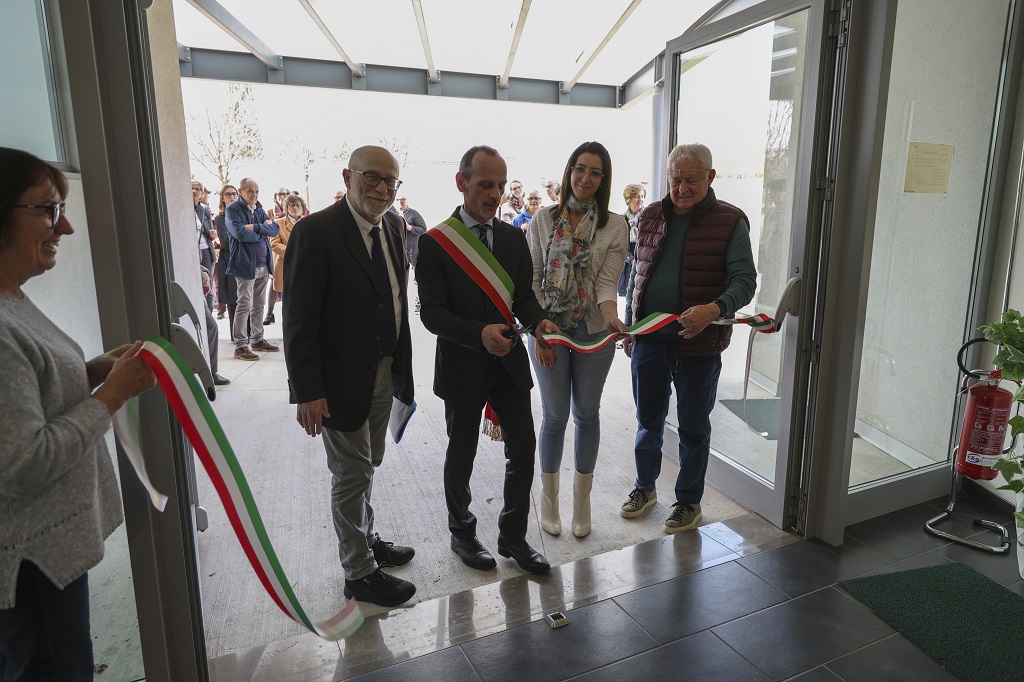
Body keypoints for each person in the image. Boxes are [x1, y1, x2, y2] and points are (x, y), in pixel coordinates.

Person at [0, 147, 157, 679]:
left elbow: (28, 397)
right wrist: (112, 394)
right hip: (31, 564)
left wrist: (91, 372)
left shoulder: (12, 298)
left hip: (45, 556)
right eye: (48, 210)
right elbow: (23, 463)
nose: (64, 227)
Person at [283, 146, 417, 607]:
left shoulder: (394, 225)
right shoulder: (315, 232)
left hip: (385, 368)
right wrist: (308, 391)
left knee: (367, 464)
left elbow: (393, 296)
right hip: (338, 379)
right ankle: (358, 572)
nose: (382, 188)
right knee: (351, 472)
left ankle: (366, 537)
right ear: (347, 177)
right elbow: (298, 319)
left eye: (390, 180)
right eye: (371, 177)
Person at [416, 145, 559, 575]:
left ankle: (512, 536)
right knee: (461, 455)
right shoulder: (435, 242)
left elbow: (522, 298)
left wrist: (538, 322)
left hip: (509, 364)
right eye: (485, 185)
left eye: (500, 185)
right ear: (461, 183)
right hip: (462, 365)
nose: (495, 194)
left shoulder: (514, 237)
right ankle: (462, 534)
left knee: (524, 450)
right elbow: (432, 314)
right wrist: (477, 334)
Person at [621, 143, 756, 533]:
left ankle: (688, 502)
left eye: (691, 180)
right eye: (675, 179)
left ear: (710, 177)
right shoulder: (649, 215)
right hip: (649, 340)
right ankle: (644, 488)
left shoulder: (731, 221)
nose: (681, 188)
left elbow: (745, 281)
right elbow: (637, 276)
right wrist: (631, 327)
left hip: (700, 345)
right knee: (647, 421)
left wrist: (713, 310)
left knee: (694, 427)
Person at [527, 142, 628, 538]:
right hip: (548, 328)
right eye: (580, 169)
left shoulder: (615, 225)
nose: (586, 178)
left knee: (587, 413)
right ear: (569, 171)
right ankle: (549, 501)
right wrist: (539, 329)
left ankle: (581, 504)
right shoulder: (543, 219)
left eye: (595, 172)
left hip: (593, 330)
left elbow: (606, 283)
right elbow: (532, 280)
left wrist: (612, 317)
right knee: (555, 416)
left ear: (604, 180)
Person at [225, 178, 280, 361]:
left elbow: (274, 230)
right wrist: (262, 232)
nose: (254, 195)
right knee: (244, 305)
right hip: (245, 266)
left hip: (263, 264)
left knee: (259, 305)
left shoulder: (259, 208)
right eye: (250, 191)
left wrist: (256, 227)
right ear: (240, 191)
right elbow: (240, 233)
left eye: (256, 191)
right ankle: (240, 346)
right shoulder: (233, 209)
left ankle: (257, 339)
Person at [270, 194, 303, 312]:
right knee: (288, 304)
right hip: (286, 266)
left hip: (304, 265)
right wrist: (293, 252)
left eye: (298, 205)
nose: (295, 208)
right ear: (286, 208)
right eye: (292, 205)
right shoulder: (278, 223)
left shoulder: (308, 222)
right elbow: (274, 244)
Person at [214, 184, 238, 322]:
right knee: (234, 303)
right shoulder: (220, 218)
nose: (232, 197)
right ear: (222, 198)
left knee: (250, 304)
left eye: (234, 194)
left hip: (247, 262)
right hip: (230, 261)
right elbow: (225, 242)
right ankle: (237, 334)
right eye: (228, 194)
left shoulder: (245, 215)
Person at [192, 180, 217, 311]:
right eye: (191, 188)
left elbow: (210, 230)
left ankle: (208, 316)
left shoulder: (205, 209)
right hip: (191, 252)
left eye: (197, 189)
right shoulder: (184, 209)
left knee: (207, 286)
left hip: (206, 250)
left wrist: (213, 235)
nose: (194, 191)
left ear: (202, 193)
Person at [618, 183, 646, 298]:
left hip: (644, 264)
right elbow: (619, 245)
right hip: (627, 266)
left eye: (642, 196)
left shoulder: (648, 218)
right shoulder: (621, 220)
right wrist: (630, 259)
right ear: (628, 199)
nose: (641, 200)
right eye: (637, 196)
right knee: (629, 298)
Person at [397, 197, 427, 267]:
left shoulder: (413, 213)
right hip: (399, 249)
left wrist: (409, 227)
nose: (401, 201)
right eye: (398, 199)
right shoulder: (393, 214)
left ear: (407, 201)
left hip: (411, 250)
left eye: (403, 199)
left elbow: (423, 229)